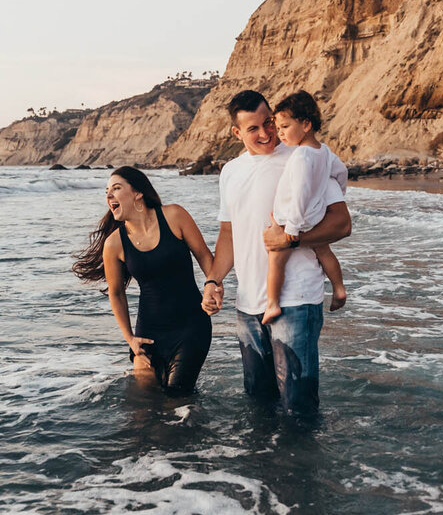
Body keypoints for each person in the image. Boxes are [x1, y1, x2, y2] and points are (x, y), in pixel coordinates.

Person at [201, 90, 351, 418]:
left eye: (269, 122)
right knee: (259, 406)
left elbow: (341, 224)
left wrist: (292, 241)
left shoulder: (302, 157)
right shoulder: (230, 172)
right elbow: (229, 234)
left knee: (298, 410)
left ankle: (304, 469)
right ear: (236, 133)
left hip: (295, 300)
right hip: (247, 306)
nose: (266, 133)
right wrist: (213, 279)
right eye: (253, 128)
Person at [73, 166, 215, 395]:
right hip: (148, 332)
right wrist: (130, 338)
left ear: (138, 192)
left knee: (177, 397)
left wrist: (213, 286)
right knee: (144, 409)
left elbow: (204, 255)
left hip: (190, 326)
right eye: (107, 191)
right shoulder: (114, 244)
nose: (109, 195)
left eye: (116, 189)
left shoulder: (174, 216)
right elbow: (116, 293)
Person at [263, 91, 348, 325]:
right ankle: (339, 288)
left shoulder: (301, 155)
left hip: (295, 218)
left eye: (285, 127)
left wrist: (292, 225)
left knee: (276, 257)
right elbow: (341, 172)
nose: (280, 133)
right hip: (315, 215)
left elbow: (299, 192)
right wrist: (339, 190)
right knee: (323, 250)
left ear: (306, 124)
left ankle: (271, 304)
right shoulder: (325, 151)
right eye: (278, 128)